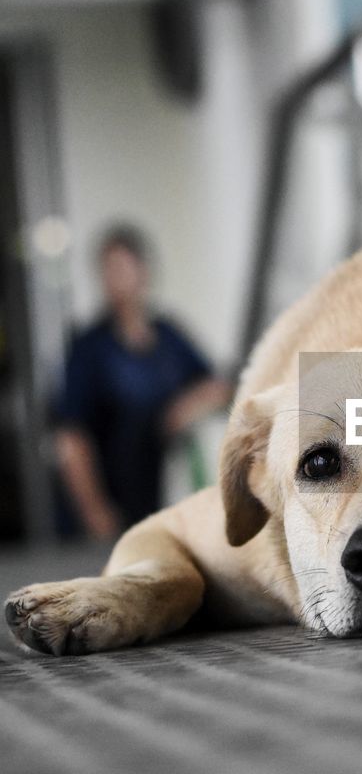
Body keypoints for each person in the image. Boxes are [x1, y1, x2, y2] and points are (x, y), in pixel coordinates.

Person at [55, 226, 231, 540]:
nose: (114, 279)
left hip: (160, 502)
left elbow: (218, 386)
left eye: (121, 268)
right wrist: (96, 512)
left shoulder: (168, 336)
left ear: (143, 270)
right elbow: (71, 439)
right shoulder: (90, 348)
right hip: (112, 509)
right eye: (107, 270)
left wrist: (184, 407)